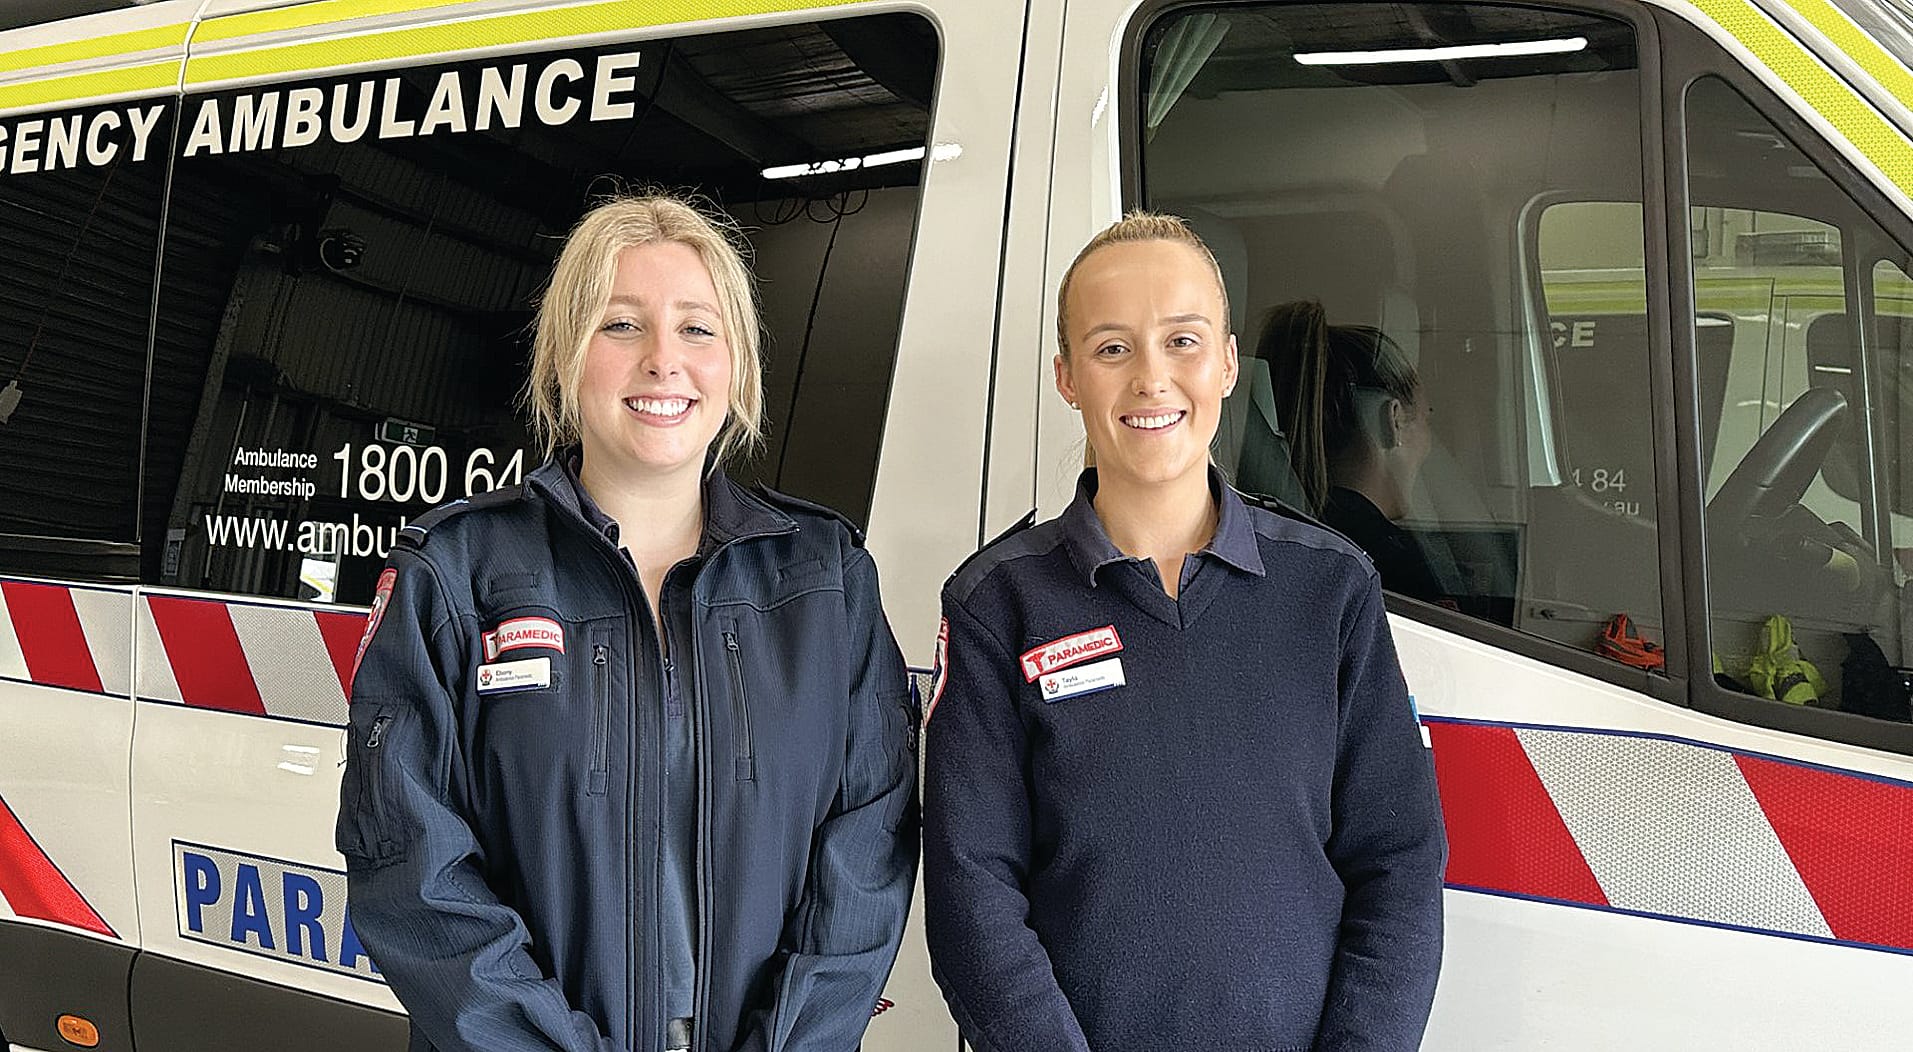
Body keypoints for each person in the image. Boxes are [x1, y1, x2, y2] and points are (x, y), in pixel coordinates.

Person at [338, 193, 918, 1052]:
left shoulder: (827, 579)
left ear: (737, 366)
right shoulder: (454, 575)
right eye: (620, 325)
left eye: (696, 328)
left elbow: (867, 850)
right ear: (564, 357)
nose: (663, 361)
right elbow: (411, 871)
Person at [922, 213, 1446, 1051]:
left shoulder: (1330, 589)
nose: (1151, 378)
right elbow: (970, 890)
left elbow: (1399, 863)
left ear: (1228, 363)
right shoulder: (996, 603)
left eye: (1182, 341)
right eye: (1111, 348)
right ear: (1066, 377)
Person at [1259, 299, 1450, 608]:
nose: (1429, 444)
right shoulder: (1397, 568)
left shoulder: (1292, 534)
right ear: (1394, 420)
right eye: (1426, 418)